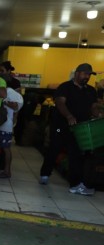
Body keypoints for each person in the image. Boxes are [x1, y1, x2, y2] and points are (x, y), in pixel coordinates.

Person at [39, 63, 102, 195]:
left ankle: (75, 184)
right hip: (61, 126)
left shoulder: (91, 90)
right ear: (77, 73)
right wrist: (68, 116)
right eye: (85, 74)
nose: (87, 77)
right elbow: (60, 102)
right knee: (54, 149)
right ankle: (45, 173)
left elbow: (94, 106)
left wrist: (99, 115)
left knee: (76, 154)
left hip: (80, 128)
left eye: (89, 75)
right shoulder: (65, 87)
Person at [0, 87, 24, 178]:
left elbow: (16, 107)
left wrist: (3, 101)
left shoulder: (10, 92)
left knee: (6, 149)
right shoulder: (1, 91)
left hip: (6, 126)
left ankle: (7, 171)